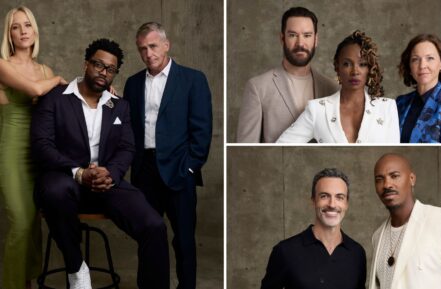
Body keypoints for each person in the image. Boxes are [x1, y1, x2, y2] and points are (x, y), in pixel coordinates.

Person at [31, 39, 169, 289]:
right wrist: (78, 172)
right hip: (64, 179)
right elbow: (42, 145)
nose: (103, 72)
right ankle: (76, 268)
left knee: (154, 225)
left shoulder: (119, 105)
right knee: (55, 190)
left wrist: (111, 173)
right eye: (98, 65)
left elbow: (127, 147)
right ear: (86, 64)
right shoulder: (54, 98)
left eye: (110, 69)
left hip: (106, 182)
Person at [123, 22, 212, 289]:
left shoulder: (193, 79)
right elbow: (128, 127)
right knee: (148, 237)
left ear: (166, 44)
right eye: (142, 49)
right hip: (144, 171)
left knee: (184, 239)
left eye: (152, 46)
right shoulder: (133, 83)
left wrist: (189, 167)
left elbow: (202, 129)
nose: (148, 53)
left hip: (179, 169)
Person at [0, 6, 66, 289]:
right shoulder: (3, 65)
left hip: (38, 154)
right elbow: (37, 91)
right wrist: (62, 81)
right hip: (12, 151)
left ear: (35, 29)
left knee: (35, 227)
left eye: (27, 25)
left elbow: (60, 111)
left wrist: (103, 91)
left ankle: (29, 281)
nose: (23, 31)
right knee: (21, 223)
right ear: (9, 34)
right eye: (16, 27)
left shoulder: (44, 69)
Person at [236, 6, 339, 143]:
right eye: (292, 35)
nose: (300, 43)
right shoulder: (258, 87)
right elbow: (246, 146)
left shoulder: (332, 89)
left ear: (316, 40)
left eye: (307, 35)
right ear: (282, 38)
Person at [277, 30, 400, 143]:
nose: (355, 71)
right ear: (337, 67)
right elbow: (282, 144)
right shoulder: (317, 110)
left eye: (362, 64)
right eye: (347, 64)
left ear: (369, 69)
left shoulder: (387, 108)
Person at [261, 168, 366, 289]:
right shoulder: (285, 251)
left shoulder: (357, 253)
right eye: (324, 196)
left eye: (339, 197)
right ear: (313, 201)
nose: (332, 204)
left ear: (346, 204)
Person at [369, 153, 441, 289]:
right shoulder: (377, 236)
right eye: (379, 179)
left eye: (394, 176)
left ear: (412, 179)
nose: (387, 184)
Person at [396, 34, 441, 143]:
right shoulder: (400, 103)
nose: (422, 66)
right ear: (409, 67)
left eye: (430, 58)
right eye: (415, 59)